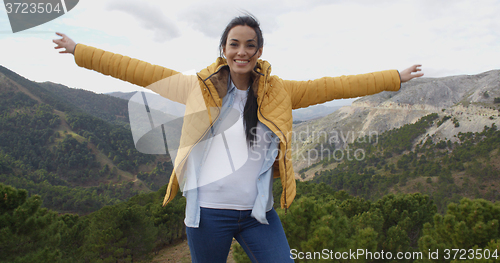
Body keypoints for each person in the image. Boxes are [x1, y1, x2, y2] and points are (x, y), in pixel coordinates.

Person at [53, 15, 423, 263]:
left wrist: (395, 77)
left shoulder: (280, 91)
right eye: (234, 44)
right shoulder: (197, 88)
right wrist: (79, 51)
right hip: (208, 215)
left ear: (259, 51)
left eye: (249, 45)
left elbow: (335, 86)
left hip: (258, 215)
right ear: (223, 49)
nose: (241, 51)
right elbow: (139, 71)